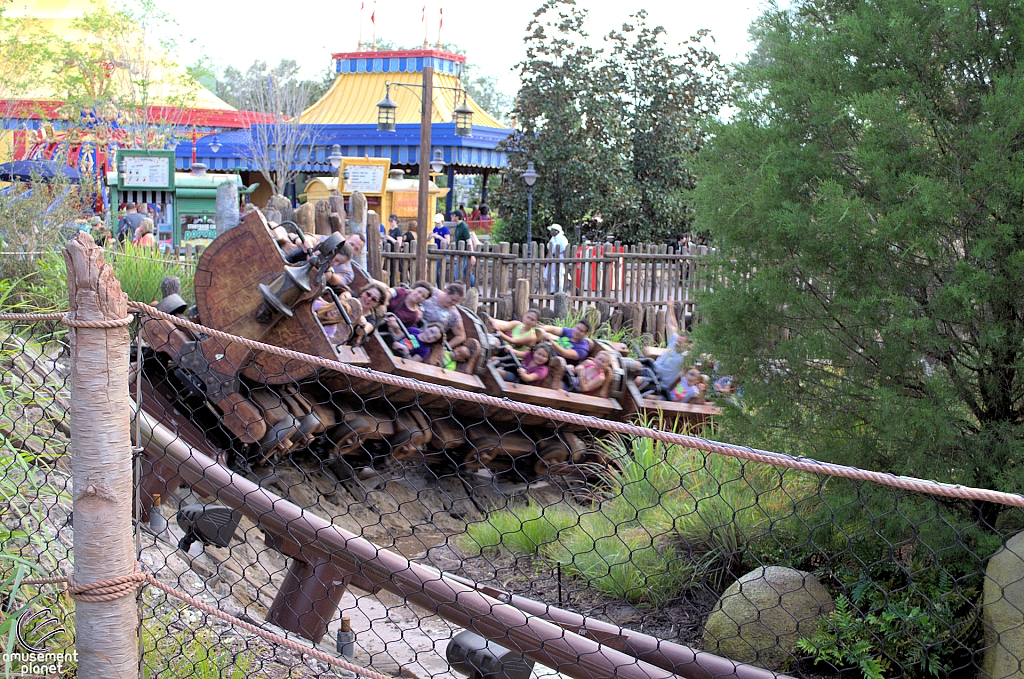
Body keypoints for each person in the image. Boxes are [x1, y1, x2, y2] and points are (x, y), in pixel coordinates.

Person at [421, 282, 466, 347]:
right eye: (453, 299)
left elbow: (461, 336)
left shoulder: (454, 314)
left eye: (457, 302)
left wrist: (444, 347)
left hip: (428, 341)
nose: (454, 303)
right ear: (447, 292)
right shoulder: (431, 292)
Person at [546, 223, 569, 293]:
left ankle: (560, 289)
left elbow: (564, 249)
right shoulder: (552, 238)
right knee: (549, 273)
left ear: (556, 231)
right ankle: (552, 289)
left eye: (552, 230)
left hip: (560, 257)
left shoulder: (562, 238)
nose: (551, 232)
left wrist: (565, 259)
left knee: (560, 273)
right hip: (552, 257)